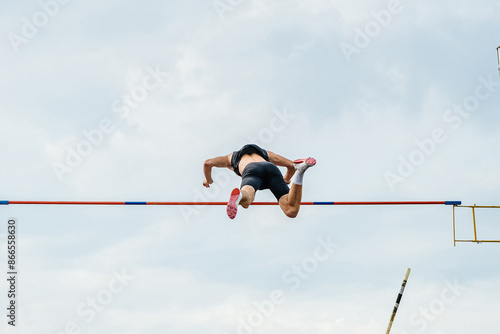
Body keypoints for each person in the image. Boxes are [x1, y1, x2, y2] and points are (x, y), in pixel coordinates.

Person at [203, 144, 316, 219]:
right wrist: (286, 179)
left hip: (252, 171)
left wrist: (208, 180)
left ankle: (240, 196)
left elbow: (207, 163)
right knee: (291, 210)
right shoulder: (266, 154)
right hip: (271, 169)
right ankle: (301, 170)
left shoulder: (230, 158)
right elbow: (291, 165)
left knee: (247, 199)